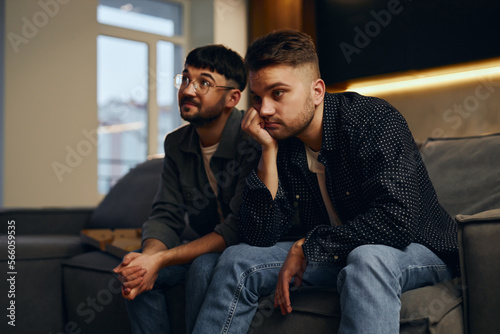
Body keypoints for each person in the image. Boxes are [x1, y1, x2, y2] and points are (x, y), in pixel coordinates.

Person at [190, 30, 459, 334]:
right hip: (336, 252)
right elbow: (258, 236)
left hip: (419, 247)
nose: (263, 111)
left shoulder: (373, 120)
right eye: (258, 97)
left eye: (278, 93)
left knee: (367, 257)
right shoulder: (280, 138)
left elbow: (397, 220)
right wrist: (267, 153)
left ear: (317, 91)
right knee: (236, 258)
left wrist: (308, 246)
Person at [113, 44, 259, 334]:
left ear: (233, 98)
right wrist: (149, 258)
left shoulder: (251, 139)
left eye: (204, 82)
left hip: (250, 247)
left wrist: (161, 259)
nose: (188, 90)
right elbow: (166, 213)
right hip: (208, 244)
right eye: (185, 79)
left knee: (204, 266)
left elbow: (237, 228)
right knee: (136, 270)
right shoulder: (177, 143)